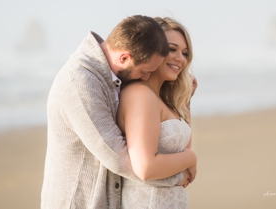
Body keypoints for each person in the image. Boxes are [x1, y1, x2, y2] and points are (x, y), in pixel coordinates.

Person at [42, 15, 189, 209]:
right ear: (124, 57)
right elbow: (118, 158)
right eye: (145, 71)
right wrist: (178, 176)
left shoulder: (116, 76)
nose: (146, 76)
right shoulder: (80, 82)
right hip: (79, 203)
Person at [117, 17, 198, 208]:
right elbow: (146, 168)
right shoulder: (140, 95)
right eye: (172, 49)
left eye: (185, 53)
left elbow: (181, 148)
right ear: (153, 51)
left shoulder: (160, 99)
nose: (180, 58)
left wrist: (185, 104)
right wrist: (192, 158)